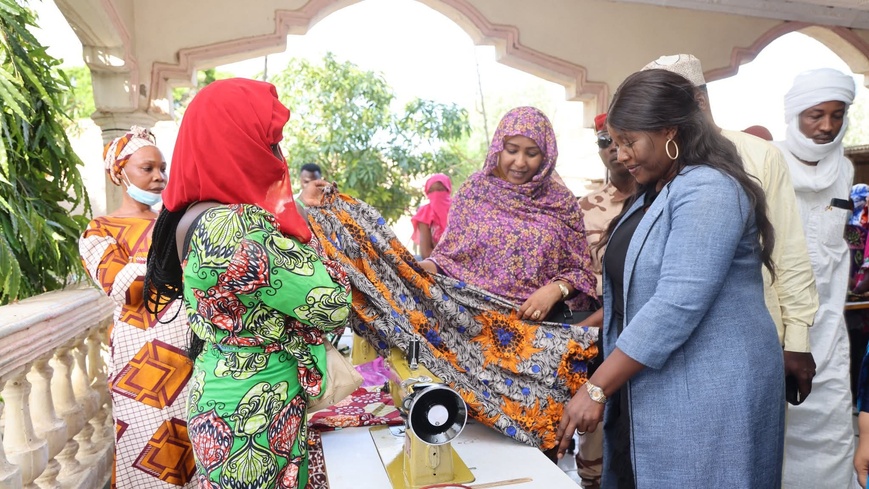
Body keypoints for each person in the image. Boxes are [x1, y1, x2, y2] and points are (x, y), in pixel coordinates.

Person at [556, 69, 785, 488]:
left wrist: (596, 387)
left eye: (629, 142)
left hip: (711, 388)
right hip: (658, 378)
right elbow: (635, 289)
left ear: (669, 131)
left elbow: (678, 301)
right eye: (614, 142)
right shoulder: (656, 188)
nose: (620, 154)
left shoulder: (709, 189)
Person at [143, 78, 351, 489]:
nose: (279, 157)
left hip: (223, 388)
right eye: (271, 143)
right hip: (254, 410)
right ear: (236, 144)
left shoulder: (191, 215)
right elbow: (332, 302)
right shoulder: (235, 226)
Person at [643, 54, 819, 405]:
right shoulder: (655, 164)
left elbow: (788, 252)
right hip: (674, 343)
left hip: (753, 341)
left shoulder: (758, 156)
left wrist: (797, 341)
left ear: (699, 101)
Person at [79, 127, 195, 488]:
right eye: (148, 168)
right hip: (140, 366)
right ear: (120, 171)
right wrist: (184, 264)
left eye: (163, 168)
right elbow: (124, 288)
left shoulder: (178, 221)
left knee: (194, 446)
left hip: (190, 355)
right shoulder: (99, 230)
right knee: (147, 450)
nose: (160, 177)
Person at [420, 106, 598, 323]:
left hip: (538, 331)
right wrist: (414, 269)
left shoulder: (561, 202)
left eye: (532, 153)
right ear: (498, 148)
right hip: (470, 325)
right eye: (512, 150)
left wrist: (554, 290)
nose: (520, 162)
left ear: (546, 156)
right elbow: (447, 260)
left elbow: (580, 272)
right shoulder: (474, 191)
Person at [772, 67, 857, 489]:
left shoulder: (845, 170)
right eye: (815, 115)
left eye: (837, 115)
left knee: (831, 433)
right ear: (795, 115)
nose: (827, 126)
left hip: (828, 328)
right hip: (777, 327)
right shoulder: (767, 163)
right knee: (774, 434)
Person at [575, 112, 635, 489]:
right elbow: (575, 277)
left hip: (647, 340)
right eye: (603, 141)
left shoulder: (666, 197)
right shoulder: (584, 207)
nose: (612, 149)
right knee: (593, 444)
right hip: (596, 342)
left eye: (620, 139)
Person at [411, 173, 452, 259]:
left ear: (448, 190)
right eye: (431, 191)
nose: (436, 194)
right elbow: (425, 253)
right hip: (436, 264)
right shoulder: (425, 213)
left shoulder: (459, 210)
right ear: (427, 193)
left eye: (440, 189)